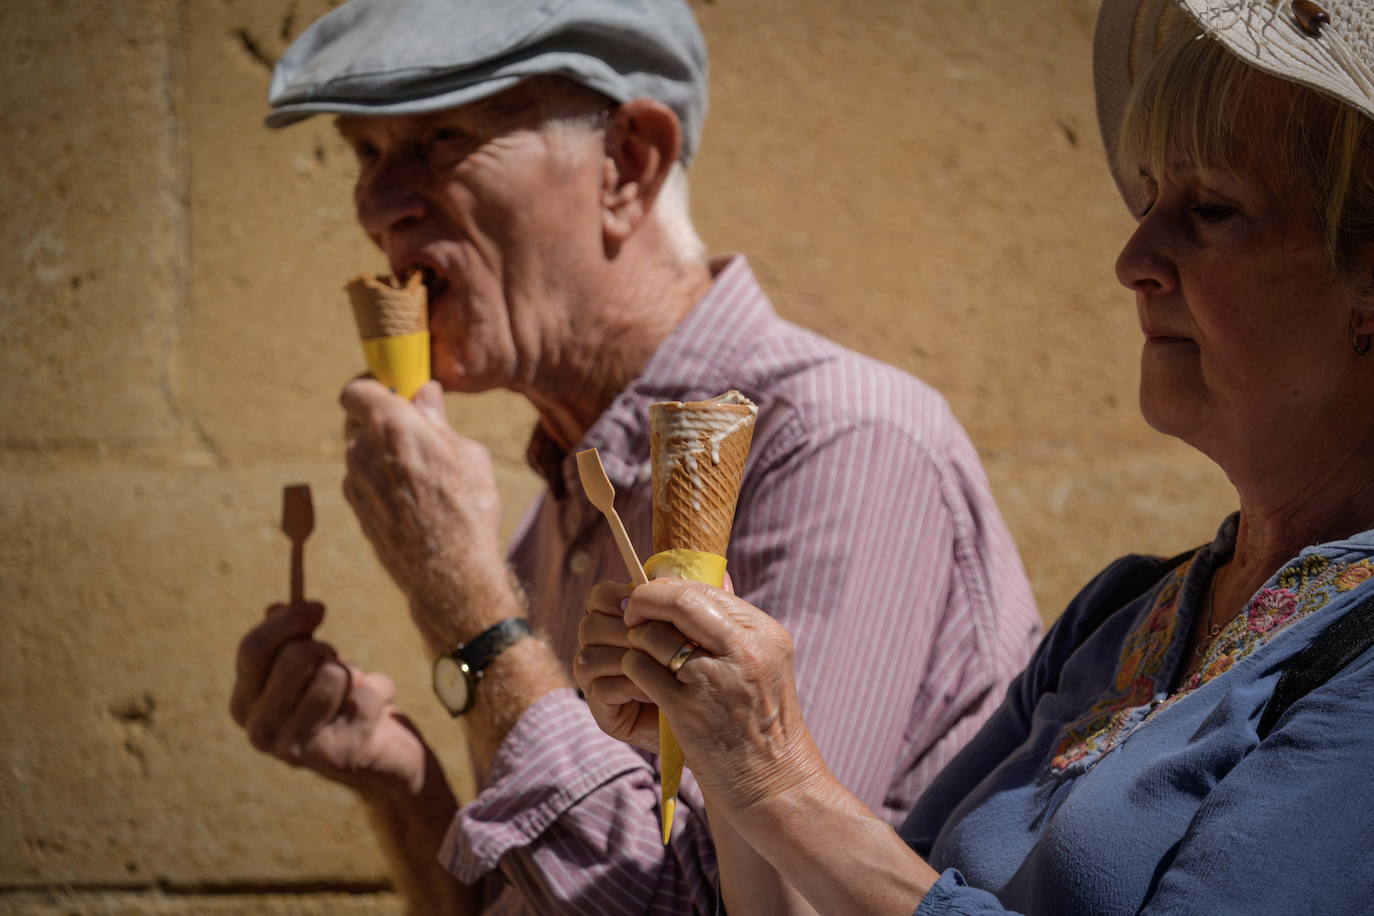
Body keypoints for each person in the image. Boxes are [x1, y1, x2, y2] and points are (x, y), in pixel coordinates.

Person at [228, 0, 1041, 913]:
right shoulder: (563, 514)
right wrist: (404, 791)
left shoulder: (843, 443)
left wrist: (464, 602)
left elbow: (704, 903)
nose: (377, 204)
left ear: (628, 164)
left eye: (441, 139)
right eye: (366, 153)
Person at [579, 0, 1374, 913]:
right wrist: (723, 753)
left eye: (1212, 210)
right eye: (1148, 200)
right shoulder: (1119, 616)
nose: (1135, 257)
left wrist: (781, 777)